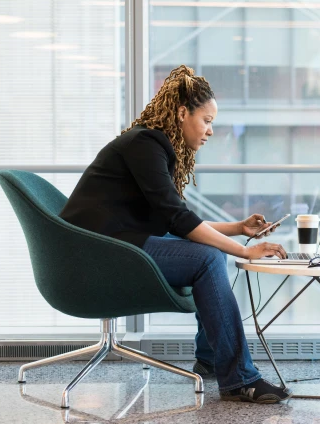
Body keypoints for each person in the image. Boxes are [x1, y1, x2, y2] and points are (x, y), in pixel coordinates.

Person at [59, 65, 292, 404]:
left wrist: (238, 229)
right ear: (183, 113)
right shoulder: (145, 144)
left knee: (211, 252)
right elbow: (178, 219)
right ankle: (239, 378)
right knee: (208, 257)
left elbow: (176, 219)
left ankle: (211, 360)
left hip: (112, 244)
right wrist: (244, 250)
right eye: (207, 120)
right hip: (97, 253)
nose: (211, 130)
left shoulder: (150, 145)